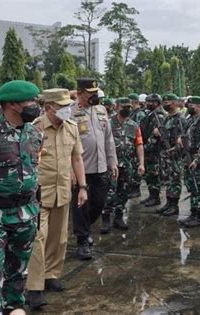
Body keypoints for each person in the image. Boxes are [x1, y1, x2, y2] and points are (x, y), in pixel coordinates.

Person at [0, 80, 42, 314]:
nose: (36, 105)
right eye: (31, 101)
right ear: (14, 104)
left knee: (18, 275)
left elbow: (34, 170)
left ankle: (13, 308)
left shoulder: (34, 133)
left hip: (25, 216)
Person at [25, 88, 88, 309]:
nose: (67, 109)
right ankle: (34, 287)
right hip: (38, 194)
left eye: (68, 105)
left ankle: (51, 274)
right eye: (62, 106)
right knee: (38, 238)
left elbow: (77, 159)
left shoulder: (71, 128)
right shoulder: (34, 129)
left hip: (63, 190)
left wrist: (82, 186)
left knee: (58, 237)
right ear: (49, 107)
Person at [70, 78, 118, 260]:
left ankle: (84, 228)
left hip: (101, 166)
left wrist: (112, 162)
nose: (95, 96)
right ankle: (82, 241)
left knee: (99, 202)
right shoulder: (70, 112)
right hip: (81, 168)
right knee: (81, 205)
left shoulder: (101, 110)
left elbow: (109, 139)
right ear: (80, 93)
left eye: (96, 92)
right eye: (91, 93)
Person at [101, 97, 145, 233]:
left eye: (129, 107)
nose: (126, 110)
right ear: (116, 107)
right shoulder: (107, 124)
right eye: (123, 107)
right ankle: (106, 219)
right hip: (111, 165)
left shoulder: (134, 125)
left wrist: (141, 163)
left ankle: (118, 218)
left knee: (124, 192)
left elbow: (139, 145)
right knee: (109, 193)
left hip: (128, 165)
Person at [178, 96, 200, 228]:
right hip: (188, 157)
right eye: (189, 105)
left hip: (197, 160)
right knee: (191, 186)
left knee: (199, 188)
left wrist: (197, 160)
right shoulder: (191, 120)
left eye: (193, 105)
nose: (190, 107)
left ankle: (198, 216)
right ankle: (193, 213)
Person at [156, 93, 187, 216]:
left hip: (175, 156)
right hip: (165, 156)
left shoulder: (180, 119)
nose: (165, 104)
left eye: (167, 102)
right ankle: (169, 203)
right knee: (168, 180)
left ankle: (174, 205)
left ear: (174, 103)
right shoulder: (167, 118)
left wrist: (174, 149)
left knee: (175, 180)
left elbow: (184, 139)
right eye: (164, 102)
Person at [139, 93, 167, 207]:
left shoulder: (159, 116)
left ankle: (155, 197)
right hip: (148, 149)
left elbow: (158, 134)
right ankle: (151, 195)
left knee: (154, 174)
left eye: (151, 102)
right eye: (148, 101)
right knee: (149, 174)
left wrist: (147, 147)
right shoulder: (149, 114)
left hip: (155, 150)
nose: (148, 104)